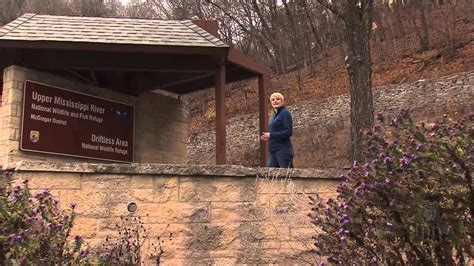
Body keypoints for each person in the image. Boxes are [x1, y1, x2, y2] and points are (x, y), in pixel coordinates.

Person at [260, 92, 294, 168]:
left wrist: (271, 135)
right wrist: (268, 136)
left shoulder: (285, 113)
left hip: (283, 150)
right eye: (273, 100)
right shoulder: (275, 116)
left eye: (278, 99)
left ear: (282, 101)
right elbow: (275, 132)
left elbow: (288, 132)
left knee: (286, 177)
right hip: (273, 152)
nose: (275, 101)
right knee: (269, 175)